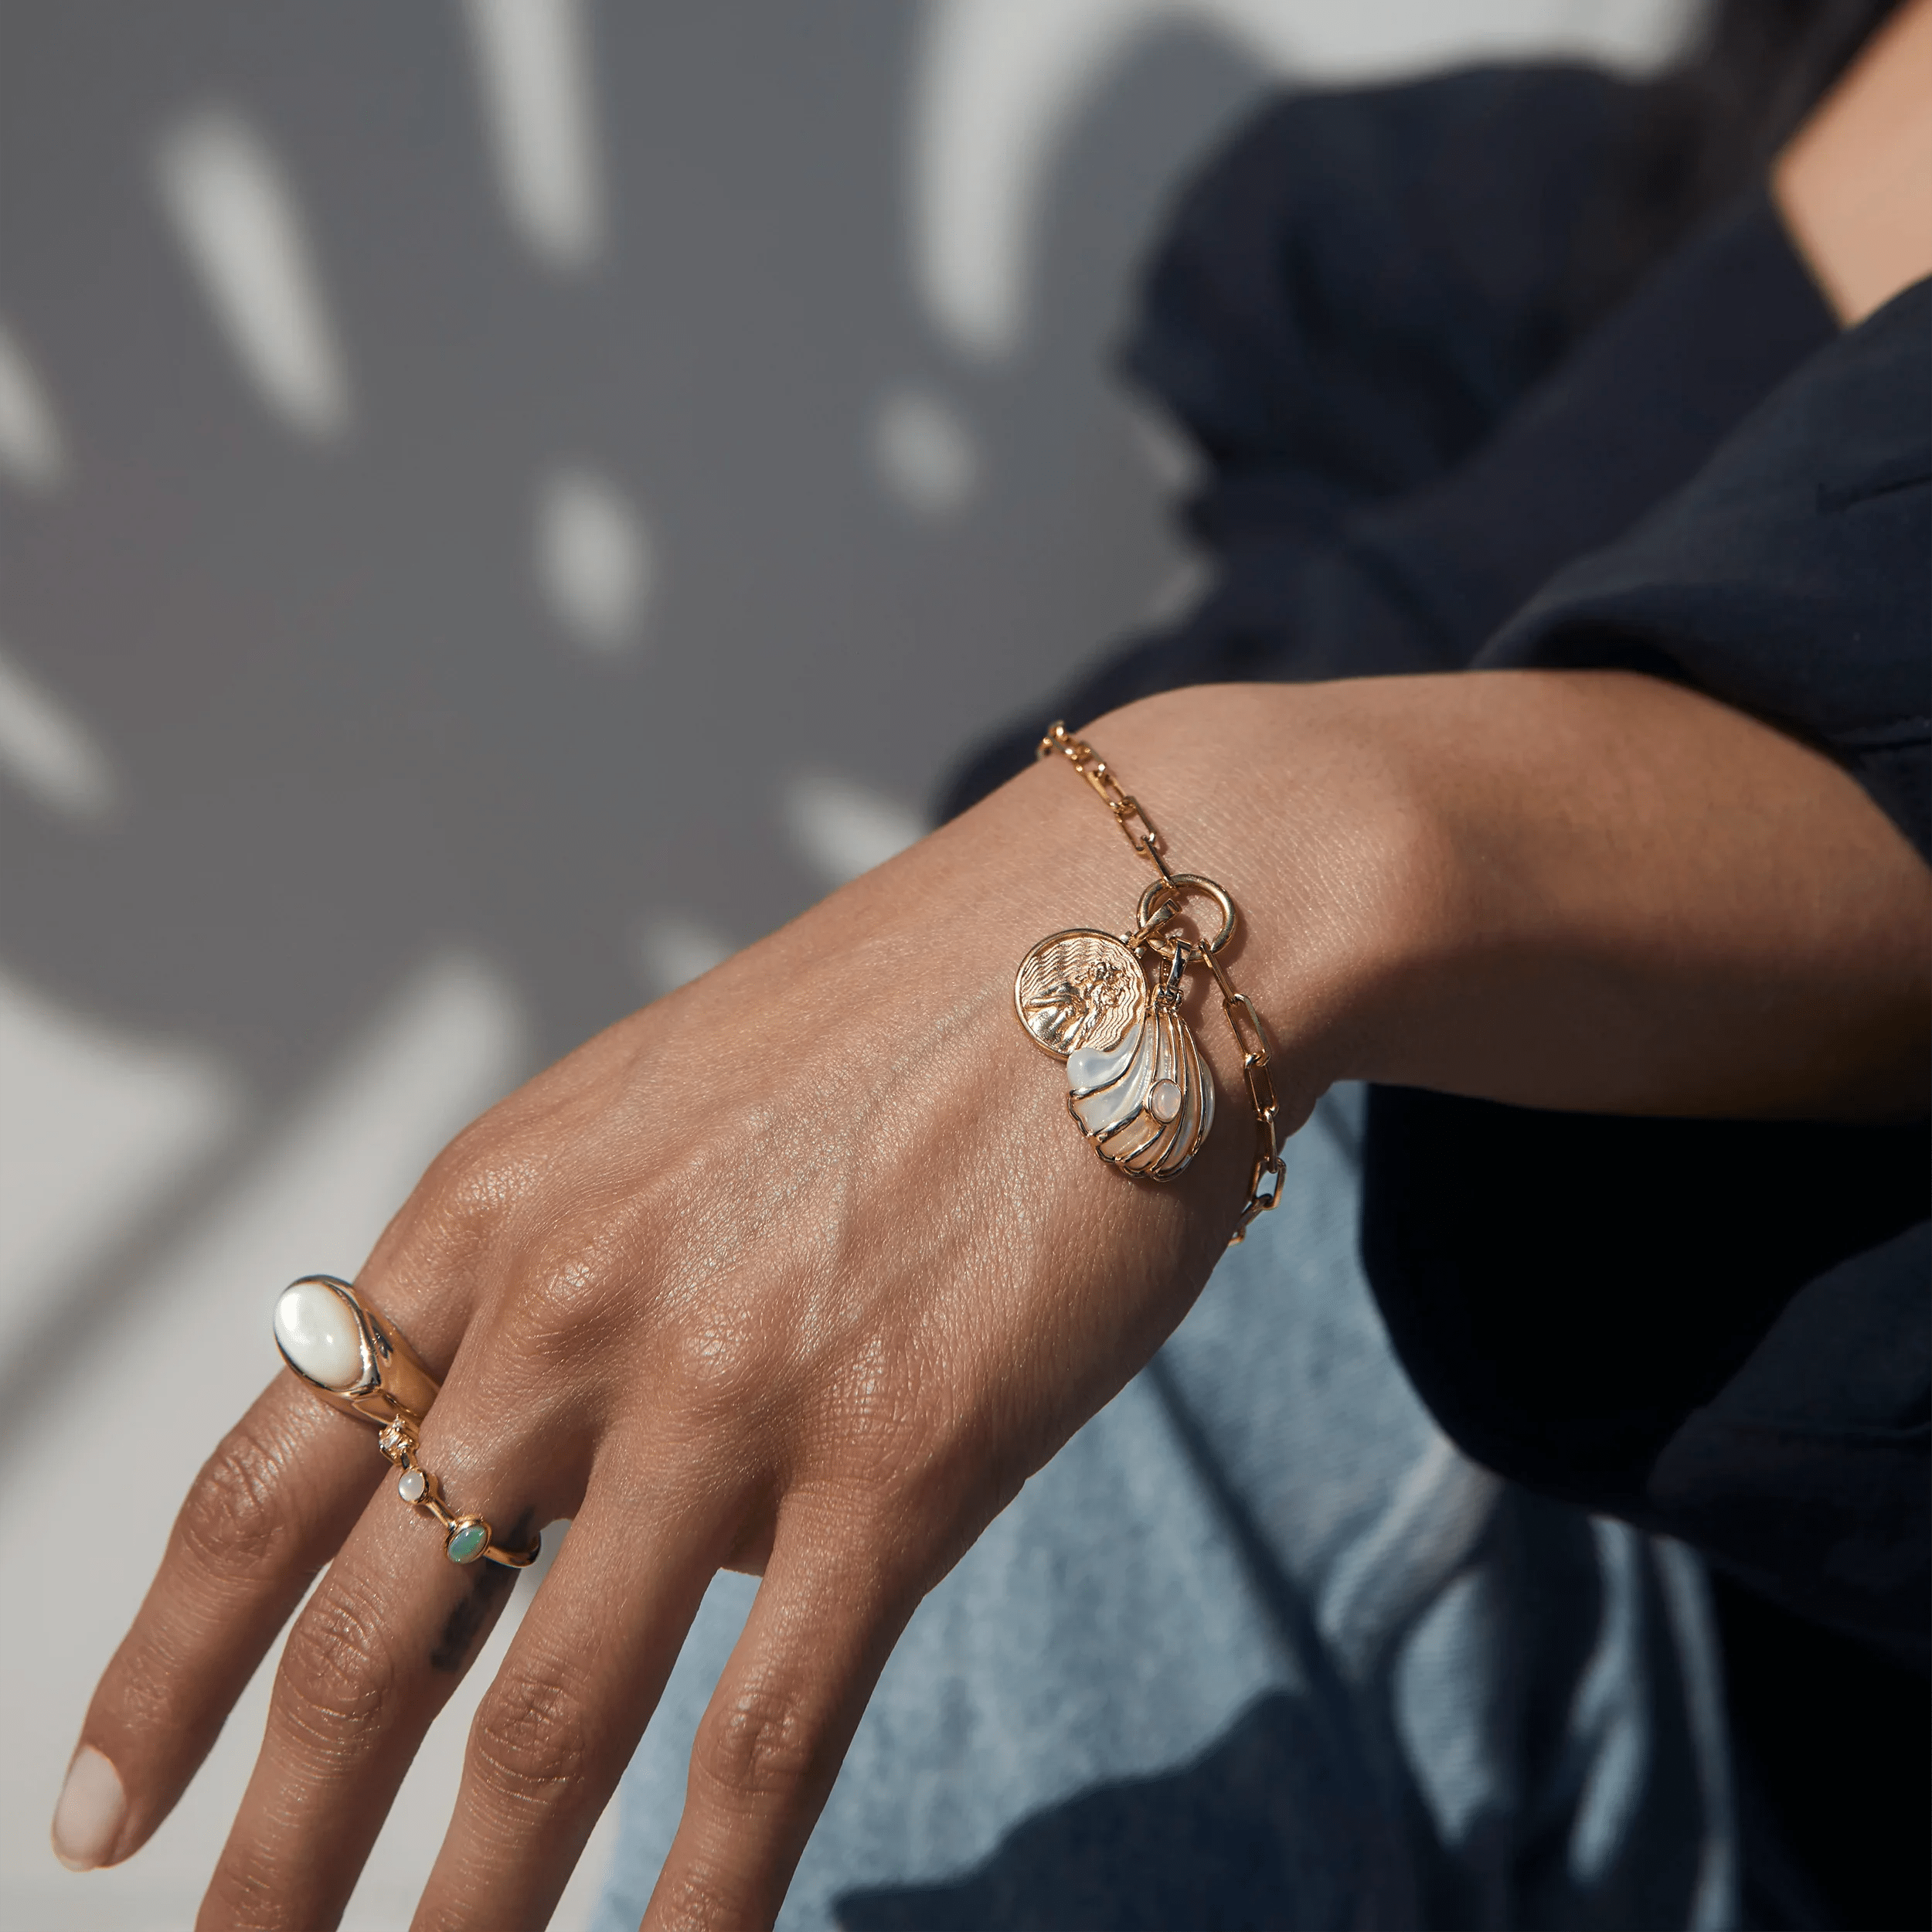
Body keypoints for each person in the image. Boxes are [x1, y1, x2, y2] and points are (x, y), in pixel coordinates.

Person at [51, 1, 1930, 1926]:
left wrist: (1312, 827)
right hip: (1608, 1726)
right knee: (1023, 1273)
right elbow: (975, 967)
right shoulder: (1447, 261)